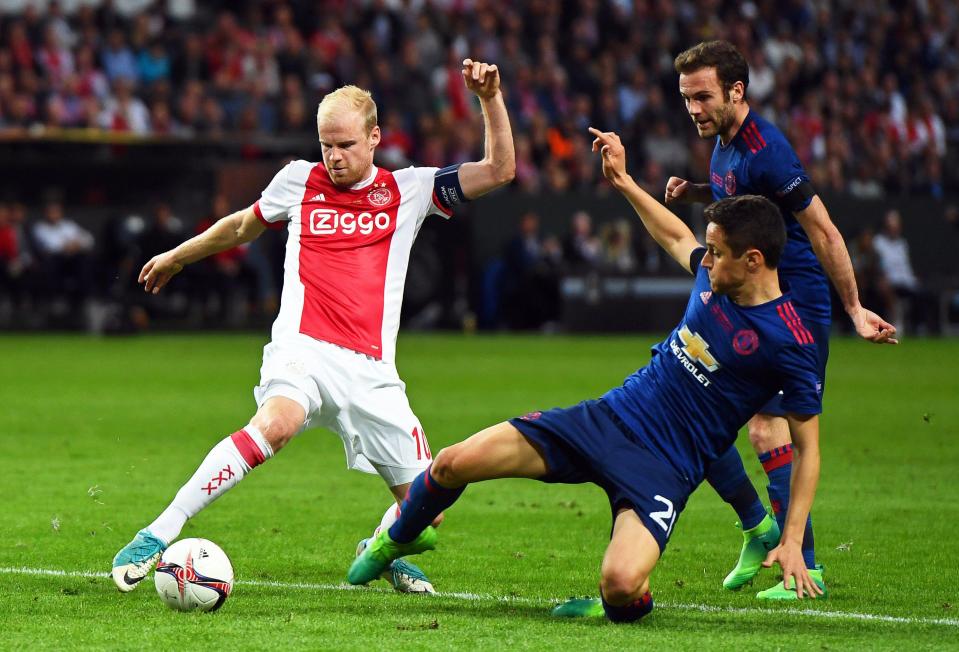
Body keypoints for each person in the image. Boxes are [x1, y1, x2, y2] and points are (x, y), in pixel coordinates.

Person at [348, 129, 825, 623]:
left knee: (621, 586)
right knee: (451, 462)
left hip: (665, 467)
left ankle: (610, 604)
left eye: (717, 252)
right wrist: (622, 181)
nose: (705, 257)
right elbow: (674, 235)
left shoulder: (790, 340)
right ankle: (393, 541)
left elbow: (808, 448)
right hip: (608, 417)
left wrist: (793, 542)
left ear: (753, 261)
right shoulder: (713, 271)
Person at [111, 58, 515, 594]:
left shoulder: (410, 190)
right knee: (275, 424)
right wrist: (179, 256)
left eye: (345, 144)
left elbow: (500, 171)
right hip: (302, 348)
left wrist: (490, 98)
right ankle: (159, 531)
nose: (334, 155)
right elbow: (240, 226)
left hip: (372, 370)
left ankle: (381, 545)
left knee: (428, 509)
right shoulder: (299, 180)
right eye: (326, 144)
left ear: (375, 138)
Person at [664, 41, 896, 599]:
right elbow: (740, 205)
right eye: (686, 98)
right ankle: (757, 527)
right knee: (691, 403)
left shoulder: (767, 150)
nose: (693, 108)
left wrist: (854, 308)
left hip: (795, 304)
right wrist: (696, 191)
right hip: (747, 299)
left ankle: (804, 565)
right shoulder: (722, 144)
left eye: (702, 96)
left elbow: (824, 231)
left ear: (736, 91)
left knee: (770, 427)